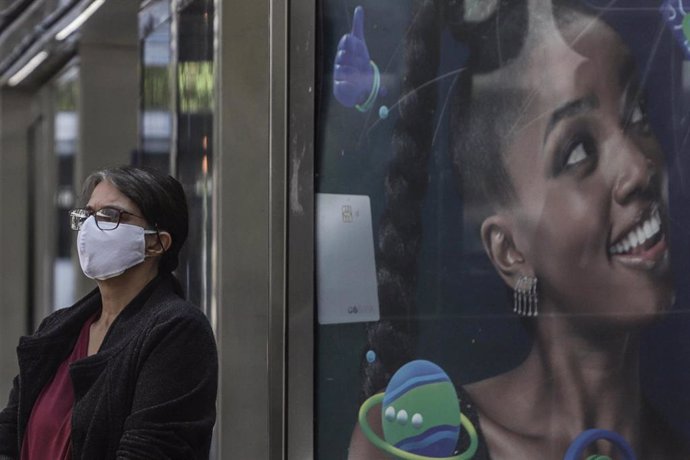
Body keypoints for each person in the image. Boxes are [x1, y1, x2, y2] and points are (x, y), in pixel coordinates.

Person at [348, 0, 690, 458]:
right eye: (577, 151)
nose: (640, 166)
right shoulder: (413, 448)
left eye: (637, 116)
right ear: (508, 249)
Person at [0, 166, 218, 459]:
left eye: (110, 215)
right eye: (88, 214)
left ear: (156, 242)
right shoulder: (59, 329)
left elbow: (153, 449)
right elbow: (10, 433)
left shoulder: (177, 331)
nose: (90, 227)